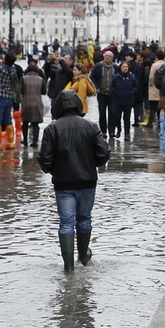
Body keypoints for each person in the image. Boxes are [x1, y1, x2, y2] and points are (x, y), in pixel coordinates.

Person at [37, 89, 111, 272]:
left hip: (63, 184)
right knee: (84, 219)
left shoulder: (52, 128)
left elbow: (45, 160)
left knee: (66, 222)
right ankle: (84, 256)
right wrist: (92, 164)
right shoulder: (91, 126)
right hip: (87, 181)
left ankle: (68, 268)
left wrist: (54, 170)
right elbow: (103, 153)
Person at [0, 52, 19, 150]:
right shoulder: (13, 70)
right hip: (8, 98)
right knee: (8, 120)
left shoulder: (0, 68)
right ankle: (10, 143)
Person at [89, 50, 119, 135]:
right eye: (106, 56)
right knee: (102, 113)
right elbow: (92, 77)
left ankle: (112, 131)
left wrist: (116, 89)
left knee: (112, 112)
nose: (108, 58)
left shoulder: (116, 67)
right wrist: (96, 87)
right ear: (104, 57)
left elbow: (118, 79)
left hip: (112, 94)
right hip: (101, 93)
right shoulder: (98, 66)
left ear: (112, 58)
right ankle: (103, 131)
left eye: (110, 56)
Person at [109, 61, 139, 139]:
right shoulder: (116, 77)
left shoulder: (132, 77)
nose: (125, 68)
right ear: (120, 68)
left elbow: (136, 86)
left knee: (127, 118)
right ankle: (119, 130)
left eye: (126, 67)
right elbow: (112, 86)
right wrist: (115, 92)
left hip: (128, 100)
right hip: (118, 100)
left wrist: (132, 91)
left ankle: (127, 134)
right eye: (123, 67)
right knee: (117, 117)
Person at [21, 57, 46, 147]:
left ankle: (25, 141)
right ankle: (34, 142)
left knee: (25, 123)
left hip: (26, 103)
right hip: (37, 103)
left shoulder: (23, 78)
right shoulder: (40, 79)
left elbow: (21, 91)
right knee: (35, 124)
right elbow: (44, 92)